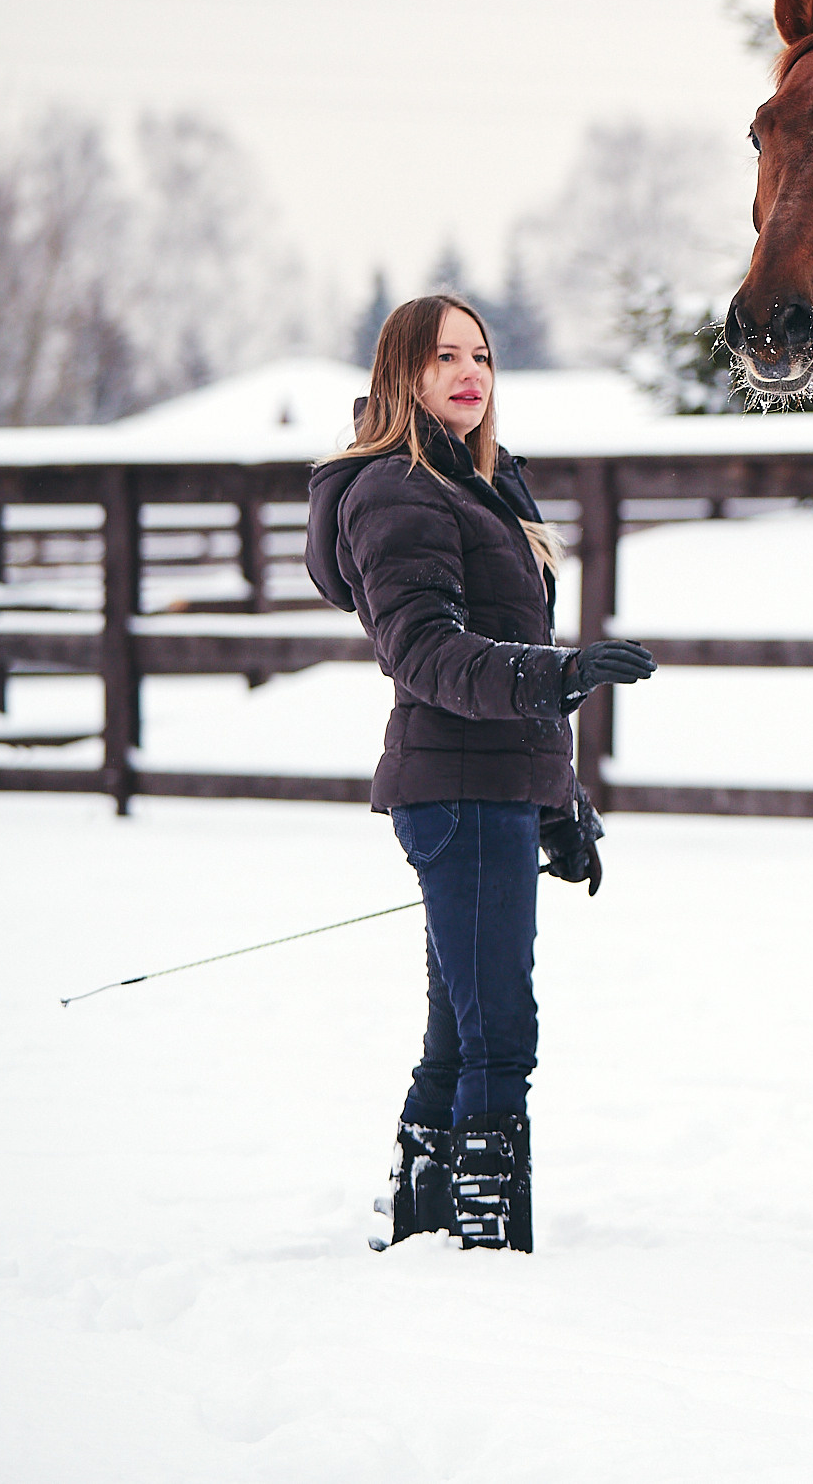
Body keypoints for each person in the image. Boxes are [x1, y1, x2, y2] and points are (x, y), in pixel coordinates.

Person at [305, 294, 656, 1253]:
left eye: (483, 355)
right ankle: (487, 1244)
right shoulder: (399, 491)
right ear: (400, 374)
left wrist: (560, 803)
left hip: (491, 787)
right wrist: (566, 672)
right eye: (444, 356)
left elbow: (505, 651)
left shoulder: (485, 484)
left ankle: (421, 1213)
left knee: (463, 1029)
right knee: (500, 1028)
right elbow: (428, 652)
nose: (470, 372)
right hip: (454, 793)